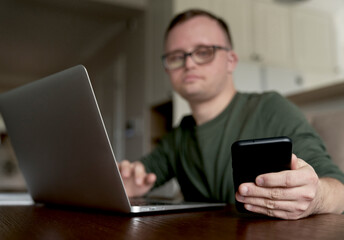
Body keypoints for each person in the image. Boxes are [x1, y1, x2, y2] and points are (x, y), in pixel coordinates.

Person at [118, 9, 344, 220]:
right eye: (177, 56)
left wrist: (316, 198)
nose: (188, 63)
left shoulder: (270, 108)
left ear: (231, 61)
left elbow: (339, 190)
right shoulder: (178, 137)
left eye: (203, 52)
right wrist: (127, 182)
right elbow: (137, 176)